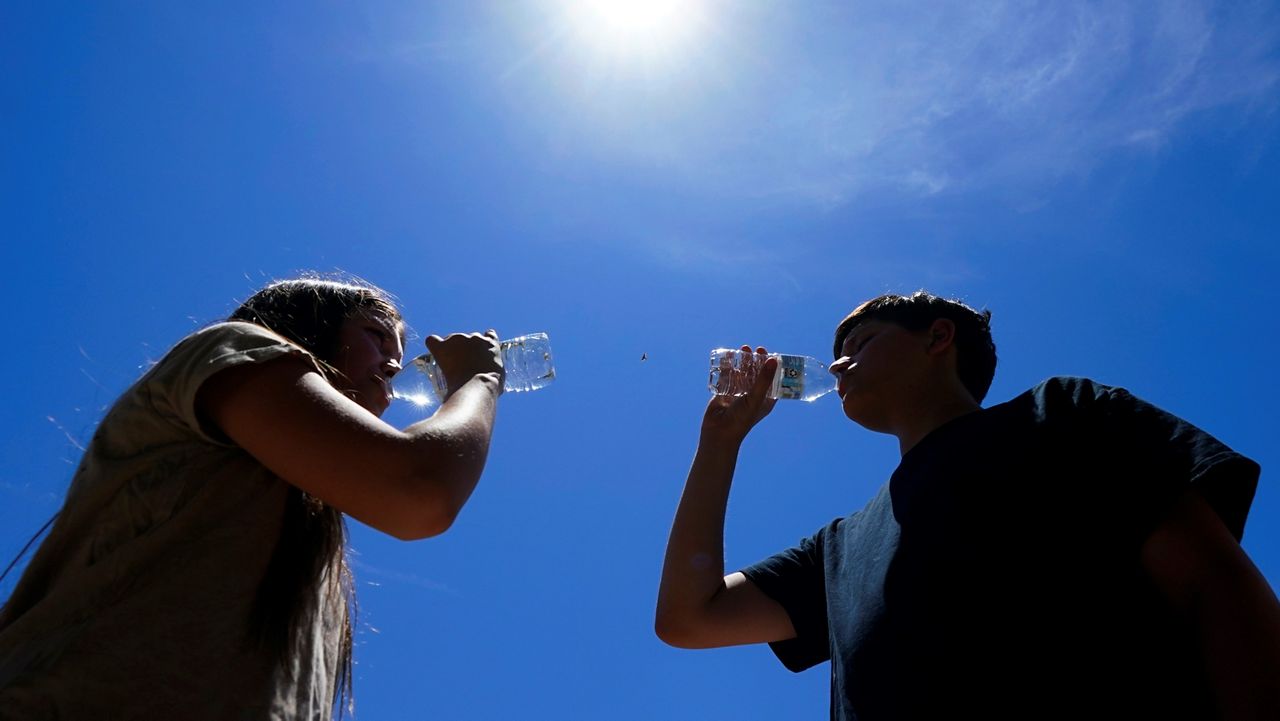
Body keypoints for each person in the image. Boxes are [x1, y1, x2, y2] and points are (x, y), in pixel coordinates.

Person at [656, 291, 1280, 720]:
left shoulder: (1060, 414)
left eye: (862, 341)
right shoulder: (840, 548)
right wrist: (721, 442)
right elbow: (690, 618)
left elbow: (1214, 586)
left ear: (938, 338)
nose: (838, 364)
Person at [0, 278, 506, 720]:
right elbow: (420, 490)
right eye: (376, 335)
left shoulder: (307, 511)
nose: (394, 363)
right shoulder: (232, 349)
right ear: (309, 326)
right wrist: (477, 380)